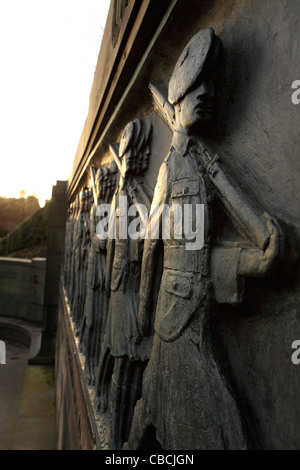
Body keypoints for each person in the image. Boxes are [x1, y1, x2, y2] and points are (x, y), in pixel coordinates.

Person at [124, 27, 283, 450]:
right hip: (173, 320)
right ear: (177, 98)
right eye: (198, 86)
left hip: (196, 314)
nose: (209, 92)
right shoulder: (169, 170)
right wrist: (141, 317)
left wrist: (253, 260)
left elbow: (207, 254)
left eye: (213, 84)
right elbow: (152, 246)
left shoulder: (205, 162)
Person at [95, 118, 153, 449]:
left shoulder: (142, 193)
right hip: (120, 292)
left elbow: (154, 229)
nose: (138, 162)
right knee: (120, 360)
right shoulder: (119, 197)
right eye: (133, 157)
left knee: (133, 365)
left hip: (136, 292)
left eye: (142, 156)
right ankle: (117, 443)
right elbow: (103, 241)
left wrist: (135, 196)